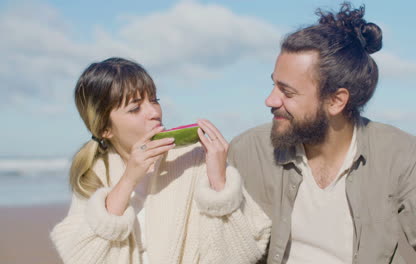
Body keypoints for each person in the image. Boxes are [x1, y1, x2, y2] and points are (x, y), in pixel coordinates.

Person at [228, 3, 416, 264]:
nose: (270, 100)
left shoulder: (400, 152)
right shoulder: (247, 150)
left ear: (336, 101)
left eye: (287, 92)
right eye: (273, 85)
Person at [50, 57, 271, 264]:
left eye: (154, 100)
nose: (154, 112)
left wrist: (219, 183)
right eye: (135, 108)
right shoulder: (95, 173)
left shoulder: (195, 160)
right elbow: (82, 257)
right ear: (105, 129)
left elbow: (243, 252)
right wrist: (128, 181)